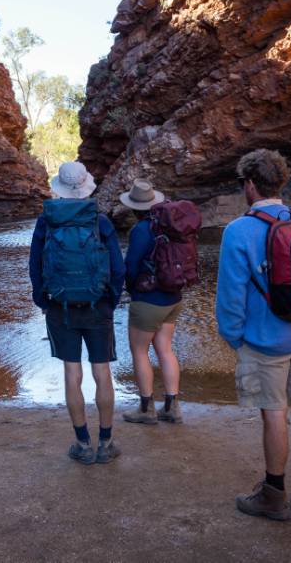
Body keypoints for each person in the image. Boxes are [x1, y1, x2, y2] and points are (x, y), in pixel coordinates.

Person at [216, 149, 291, 521]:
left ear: (250, 185)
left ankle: (274, 494)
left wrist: (236, 339)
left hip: (265, 342)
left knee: (274, 413)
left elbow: (231, 296)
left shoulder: (238, 231)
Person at [29, 161, 126, 465]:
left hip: (60, 306)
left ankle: (82, 443)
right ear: (85, 186)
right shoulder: (100, 222)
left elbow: (35, 266)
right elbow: (117, 268)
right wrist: (110, 300)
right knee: (102, 373)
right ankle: (106, 442)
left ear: (60, 187)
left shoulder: (46, 222)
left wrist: (43, 301)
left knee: (72, 372)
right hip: (98, 305)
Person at [119, 180, 184, 425]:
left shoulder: (141, 230)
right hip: (173, 297)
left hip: (148, 300)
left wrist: (130, 289)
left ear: (135, 208)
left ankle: (146, 409)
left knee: (139, 351)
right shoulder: (170, 226)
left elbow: (132, 266)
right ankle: (172, 407)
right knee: (165, 350)